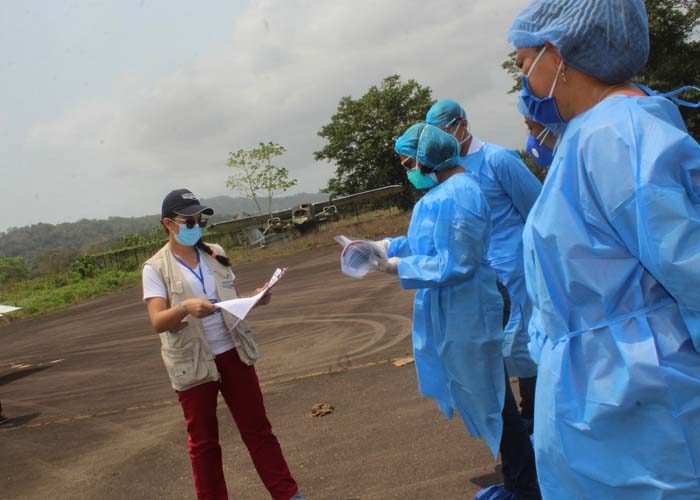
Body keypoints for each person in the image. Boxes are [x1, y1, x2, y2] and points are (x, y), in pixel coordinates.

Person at [509, 0, 700, 498]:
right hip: (598, 405)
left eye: (524, 62)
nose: (523, 79)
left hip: (645, 409)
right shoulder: (587, 136)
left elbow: (693, 270)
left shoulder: (621, 134)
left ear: (558, 54)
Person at [385, 125, 540, 499]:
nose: (409, 171)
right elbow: (429, 242)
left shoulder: (462, 193)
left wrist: (397, 267)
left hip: (473, 303)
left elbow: (459, 261)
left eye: (409, 162)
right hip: (461, 305)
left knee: (493, 397)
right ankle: (520, 479)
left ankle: (525, 485)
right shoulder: (446, 192)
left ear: (428, 158)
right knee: (490, 395)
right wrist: (388, 246)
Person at [142, 189, 305, 500]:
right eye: (189, 221)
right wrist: (184, 308)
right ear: (169, 223)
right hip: (193, 363)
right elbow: (157, 321)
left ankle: (288, 495)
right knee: (203, 443)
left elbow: (231, 299)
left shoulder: (215, 252)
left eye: (200, 220)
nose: (196, 225)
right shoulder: (155, 268)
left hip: (233, 353)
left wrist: (256, 298)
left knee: (258, 430)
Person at [426, 99, 541, 424]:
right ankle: (521, 437)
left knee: (521, 347)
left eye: (446, 129)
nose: (444, 137)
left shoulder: (498, 160)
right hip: (480, 277)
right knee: (491, 355)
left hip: (515, 271)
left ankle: (533, 423)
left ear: (462, 123)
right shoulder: (449, 170)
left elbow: (536, 209)